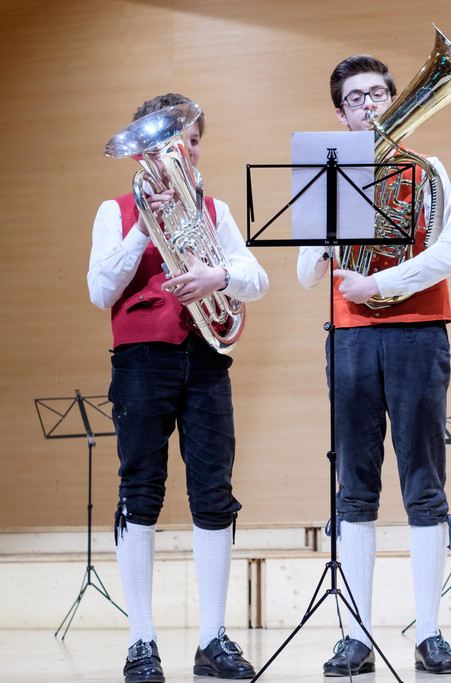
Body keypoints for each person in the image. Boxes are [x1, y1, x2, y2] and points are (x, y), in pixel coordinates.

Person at [88, 93, 268, 683]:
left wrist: (219, 276)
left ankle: (212, 639)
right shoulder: (115, 211)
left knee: (214, 493)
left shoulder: (215, 210)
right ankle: (141, 641)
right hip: (141, 359)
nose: (184, 154)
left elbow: (256, 278)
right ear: (146, 152)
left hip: (207, 359)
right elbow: (99, 290)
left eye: (191, 142)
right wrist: (142, 229)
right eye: (171, 144)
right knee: (140, 491)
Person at [296, 54, 451, 676]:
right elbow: (306, 273)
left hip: (419, 332)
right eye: (356, 98)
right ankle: (356, 636)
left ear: (396, 101)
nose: (369, 105)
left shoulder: (428, 169)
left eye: (378, 95)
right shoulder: (329, 173)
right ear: (340, 114)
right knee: (356, 483)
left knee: (424, 480)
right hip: (351, 337)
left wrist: (383, 283)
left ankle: (429, 632)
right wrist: (328, 232)